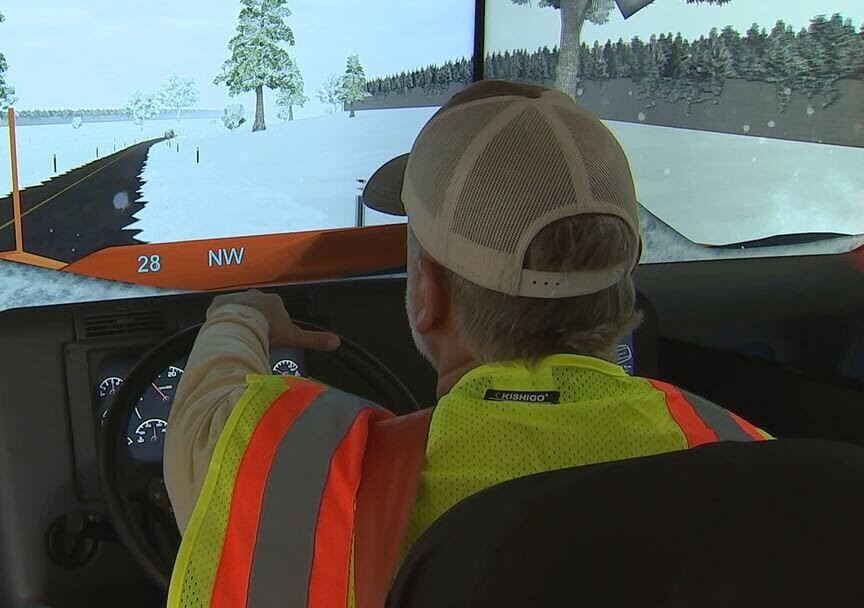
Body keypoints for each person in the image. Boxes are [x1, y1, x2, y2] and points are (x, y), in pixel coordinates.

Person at [162, 79, 772, 608]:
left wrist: (241, 313)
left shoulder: (293, 481)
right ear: (620, 285)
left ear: (427, 293)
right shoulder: (755, 464)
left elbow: (200, 423)